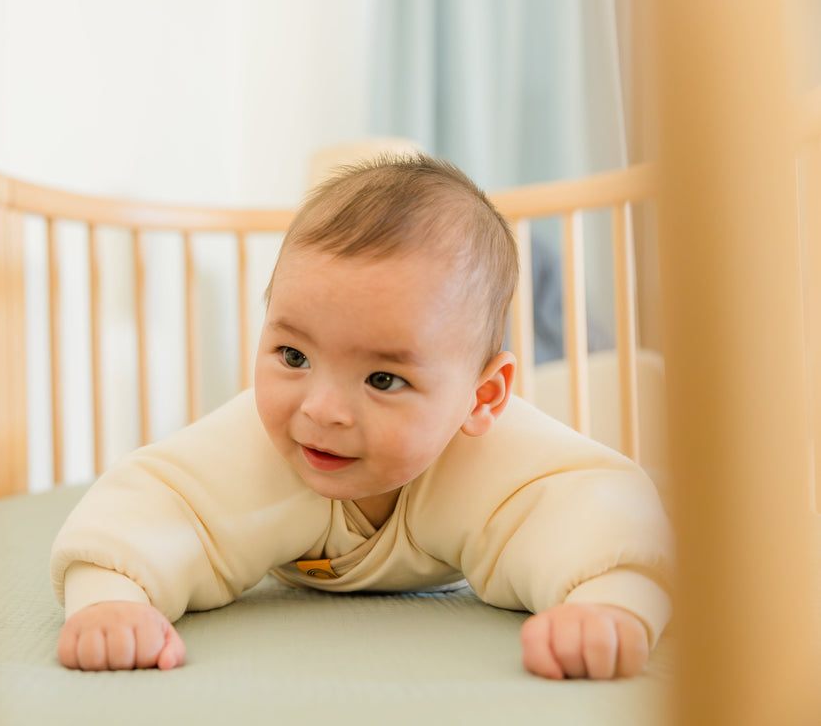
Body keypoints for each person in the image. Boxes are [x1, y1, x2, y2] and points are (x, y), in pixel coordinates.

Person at [50, 153, 672, 680]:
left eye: (383, 379)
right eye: (293, 355)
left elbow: (606, 520)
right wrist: (110, 604)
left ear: (481, 399)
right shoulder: (255, 445)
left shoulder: (503, 458)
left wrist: (608, 609)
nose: (320, 409)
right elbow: (145, 511)